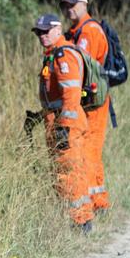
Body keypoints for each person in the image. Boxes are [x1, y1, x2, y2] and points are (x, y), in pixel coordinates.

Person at [32, 14, 94, 232]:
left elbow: (71, 94)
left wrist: (63, 127)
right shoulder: (54, 54)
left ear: (58, 30)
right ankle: (81, 219)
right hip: (58, 121)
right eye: (39, 32)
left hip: (66, 123)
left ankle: (80, 222)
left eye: (46, 31)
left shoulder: (63, 55)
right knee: (70, 170)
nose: (42, 35)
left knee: (68, 171)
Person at [61, 0, 111, 213]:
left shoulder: (88, 32)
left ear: (84, 4)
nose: (69, 9)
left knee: (89, 151)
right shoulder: (75, 31)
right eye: (66, 5)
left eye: (73, 5)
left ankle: (97, 203)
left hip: (93, 103)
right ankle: (97, 201)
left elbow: (81, 65)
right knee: (86, 151)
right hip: (86, 101)